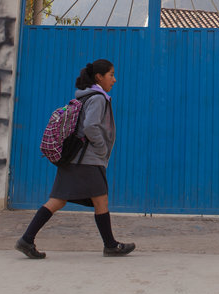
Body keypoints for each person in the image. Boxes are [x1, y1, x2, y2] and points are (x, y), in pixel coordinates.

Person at [15, 59, 135, 258]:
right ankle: (111, 245)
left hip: (75, 159)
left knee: (58, 201)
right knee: (101, 200)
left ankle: (26, 240)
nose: (114, 79)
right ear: (99, 77)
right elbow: (90, 127)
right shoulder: (97, 98)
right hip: (87, 160)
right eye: (111, 74)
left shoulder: (86, 97)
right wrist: (102, 147)